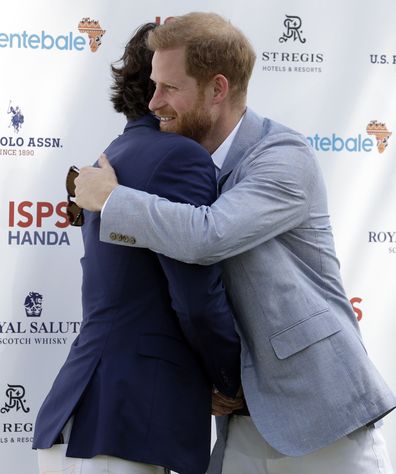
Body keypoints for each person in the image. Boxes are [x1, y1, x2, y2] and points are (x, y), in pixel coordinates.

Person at [74, 12, 396, 474]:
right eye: (153, 85)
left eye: (169, 88)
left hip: (324, 417)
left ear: (217, 89)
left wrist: (112, 200)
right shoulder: (183, 165)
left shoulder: (283, 155)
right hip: (242, 424)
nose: (154, 102)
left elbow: (209, 236)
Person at [32, 22, 242, 474]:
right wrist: (234, 379)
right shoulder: (179, 157)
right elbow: (196, 298)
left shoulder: (116, 153)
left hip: (89, 420)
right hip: (123, 425)